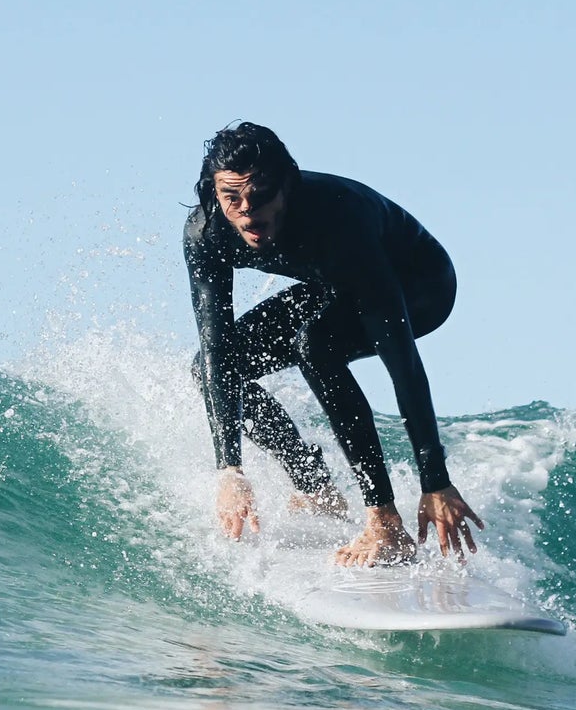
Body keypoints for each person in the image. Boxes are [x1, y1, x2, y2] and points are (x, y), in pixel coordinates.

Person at [184, 122, 487, 566]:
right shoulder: (207, 232)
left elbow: (402, 360)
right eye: (233, 197)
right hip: (332, 283)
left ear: (288, 186)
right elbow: (217, 346)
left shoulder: (338, 219)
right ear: (215, 193)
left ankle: (385, 524)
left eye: (261, 193)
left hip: (420, 285)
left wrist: (434, 482)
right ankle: (314, 485)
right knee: (208, 366)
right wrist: (229, 468)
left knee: (315, 344)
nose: (248, 211)